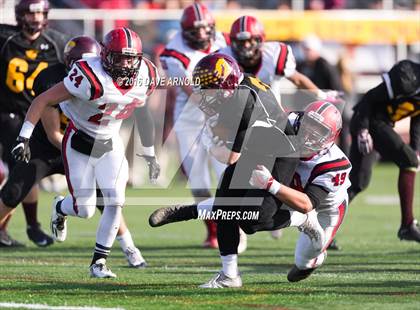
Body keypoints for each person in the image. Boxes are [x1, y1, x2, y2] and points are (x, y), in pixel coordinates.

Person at [149, 53, 328, 288]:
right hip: (257, 144)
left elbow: (230, 156)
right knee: (226, 205)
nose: (204, 93)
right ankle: (229, 275)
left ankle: (302, 218)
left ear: (226, 84)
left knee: (254, 221)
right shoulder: (238, 89)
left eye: (210, 87)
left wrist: (209, 142)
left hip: (280, 151)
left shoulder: (244, 103)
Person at [11, 27, 160, 278]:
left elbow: (143, 112)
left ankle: (99, 263)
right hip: (79, 139)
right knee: (86, 209)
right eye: (119, 57)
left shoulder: (148, 75)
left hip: (110, 141)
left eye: (130, 57)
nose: (125, 63)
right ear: (105, 56)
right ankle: (61, 208)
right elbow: (43, 100)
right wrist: (24, 136)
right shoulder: (90, 75)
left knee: (115, 201)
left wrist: (150, 151)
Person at [248, 101, 351, 282]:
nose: (311, 131)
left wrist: (270, 183)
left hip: (325, 209)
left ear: (333, 136)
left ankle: (316, 258)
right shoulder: (288, 122)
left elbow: (307, 204)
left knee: (303, 262)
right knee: (251, 214)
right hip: (288, 190)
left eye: (320, 129)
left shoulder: (335, 163)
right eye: (310, 123)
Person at [159, 3, 230, 249]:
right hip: (190, 117)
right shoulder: (173, 53)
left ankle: (232, 225)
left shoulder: (225, 40)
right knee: (198, 179)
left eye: (204, 29)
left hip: (221, 112)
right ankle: (213, 230)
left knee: (225, 173)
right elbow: (192, 91)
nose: (201, 35)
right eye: (195, 30)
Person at [0, 0, 69, 247]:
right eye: (31, 12)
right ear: (20, 15)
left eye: (40, 12)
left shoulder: (57, 42)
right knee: (17, 171)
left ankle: (31, 226)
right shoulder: (5, 38)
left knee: (22, 169)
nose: (36, 17)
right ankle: (28, 226)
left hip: (37, 115)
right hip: (6, 112)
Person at [348, 60, 420, 242]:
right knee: (409, 161)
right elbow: (369, 98)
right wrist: (362, 130)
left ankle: (321, 223)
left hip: (381, 124)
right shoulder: (409, 76)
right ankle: (407, 225)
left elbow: (417, 118)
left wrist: (416, 149)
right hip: (368, 120)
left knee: (357, 182)